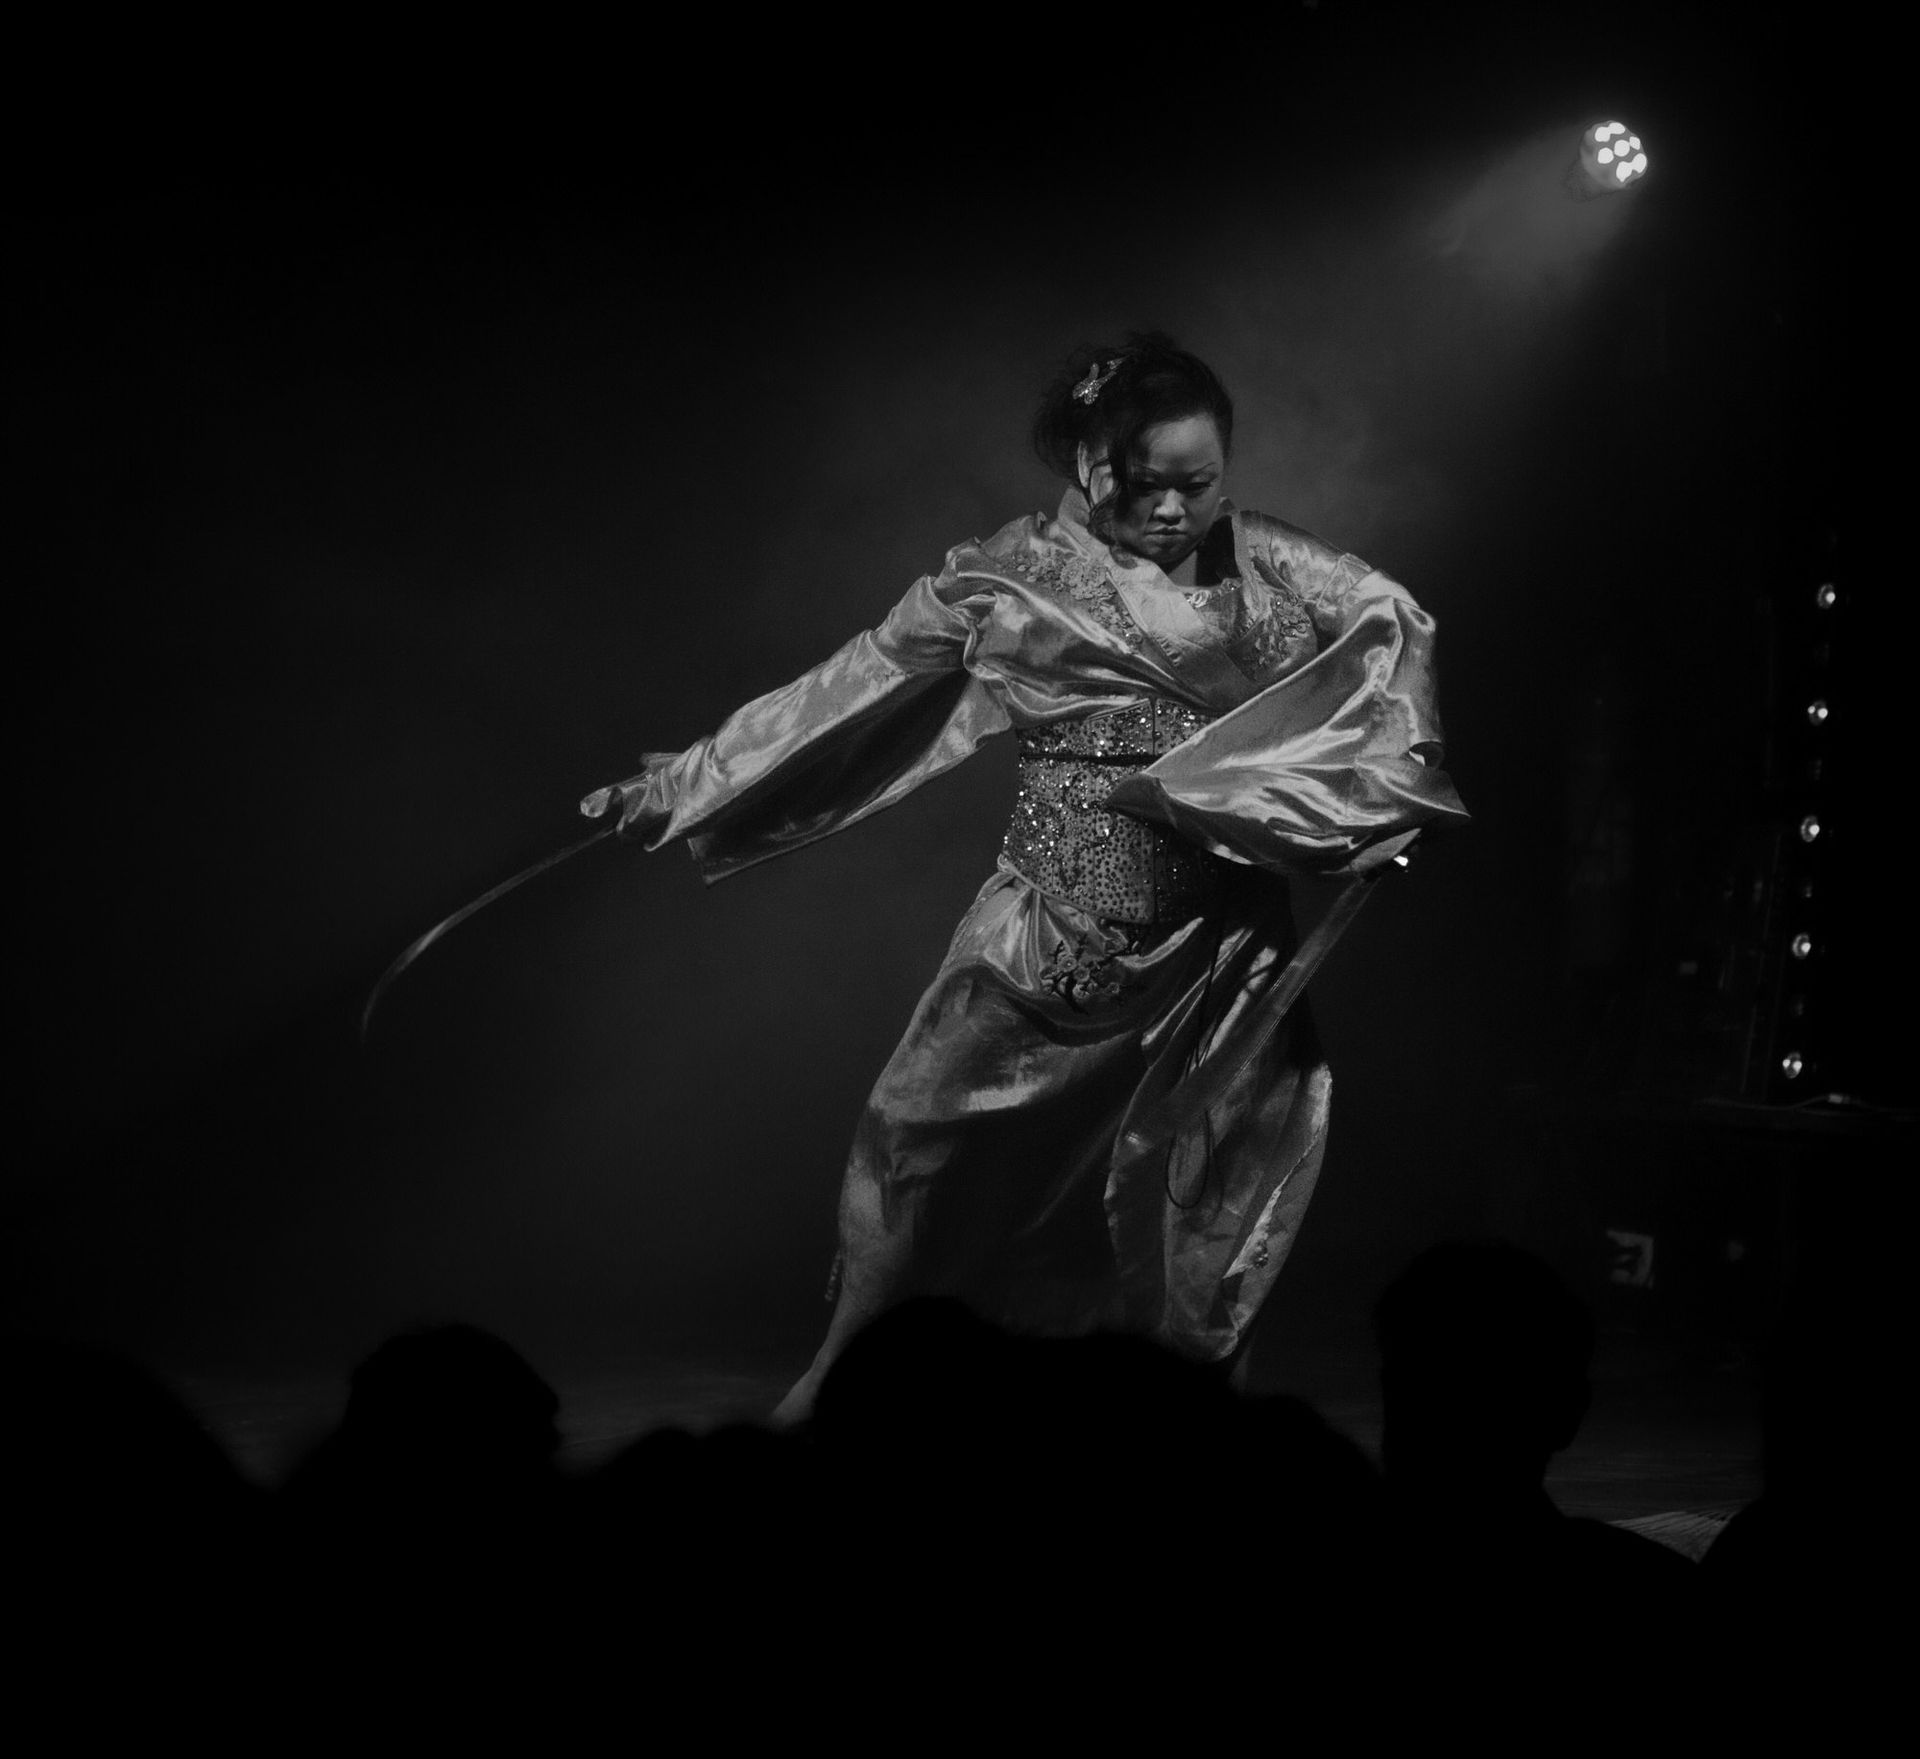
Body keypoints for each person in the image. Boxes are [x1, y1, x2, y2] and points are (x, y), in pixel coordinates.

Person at [582, 334, 1468, 1421]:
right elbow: (846, 685)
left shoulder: (1272, 562)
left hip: (1224, 956)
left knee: (1210, 1203)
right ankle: (837, 1389)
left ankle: (1195, 1437)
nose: (1174, 510)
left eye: (1199, 483)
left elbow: (1395, 625)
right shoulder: (1005, 576)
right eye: (1146, 484)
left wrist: (1385, 790)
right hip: (1048, 943)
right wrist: (683, 784)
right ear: (1092, 466)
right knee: (917, 1152)